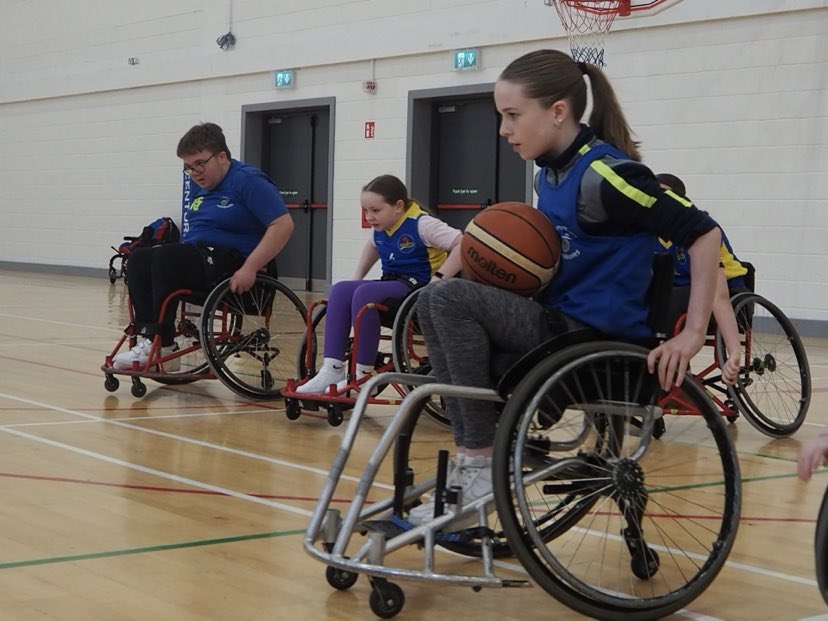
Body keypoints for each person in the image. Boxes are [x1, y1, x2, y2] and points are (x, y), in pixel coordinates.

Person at [410, 49, 723, 528]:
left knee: (445, 300)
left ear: (558, 111)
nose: (503, 130)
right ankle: (476, 458)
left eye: (513, 116)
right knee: (433, 297)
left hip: (593, 340)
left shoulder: (608, 176)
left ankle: (479, 462)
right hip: (558, 327)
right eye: (501, 116)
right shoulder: (548, 174)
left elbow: (704, 233)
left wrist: (693, 332)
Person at [113, 122, 294, 370]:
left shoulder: (248, 181)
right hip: (202, 258)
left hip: (234, 263)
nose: (195, 172)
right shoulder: (201, 188)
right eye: (189, 167)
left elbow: (283, 225)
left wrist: (251, 267)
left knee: (167, 258)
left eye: (200, 163)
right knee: (138, 258)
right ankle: (153, 339)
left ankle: (161, 345)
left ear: (221, 156)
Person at [296, 174, 463, 394]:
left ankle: (364, 374)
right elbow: (373, 248)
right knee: (341, 289)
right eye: (366, 211)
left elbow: (463, 242)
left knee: (366, 293)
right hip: (394, 283)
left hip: (419, 289)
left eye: (375, 210)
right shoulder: (383, 227)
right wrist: (356, 277)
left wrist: (440, 279)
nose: (369, 216)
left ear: (398, 206)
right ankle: (332, 369)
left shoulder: (423, 224)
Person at [655, 173, 743, 384]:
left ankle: (674, 376)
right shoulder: (648, 234)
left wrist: (734, 352)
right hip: (678, 294)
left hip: (728, 291)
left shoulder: (700, 231)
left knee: (666, 302)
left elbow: (718, 295)